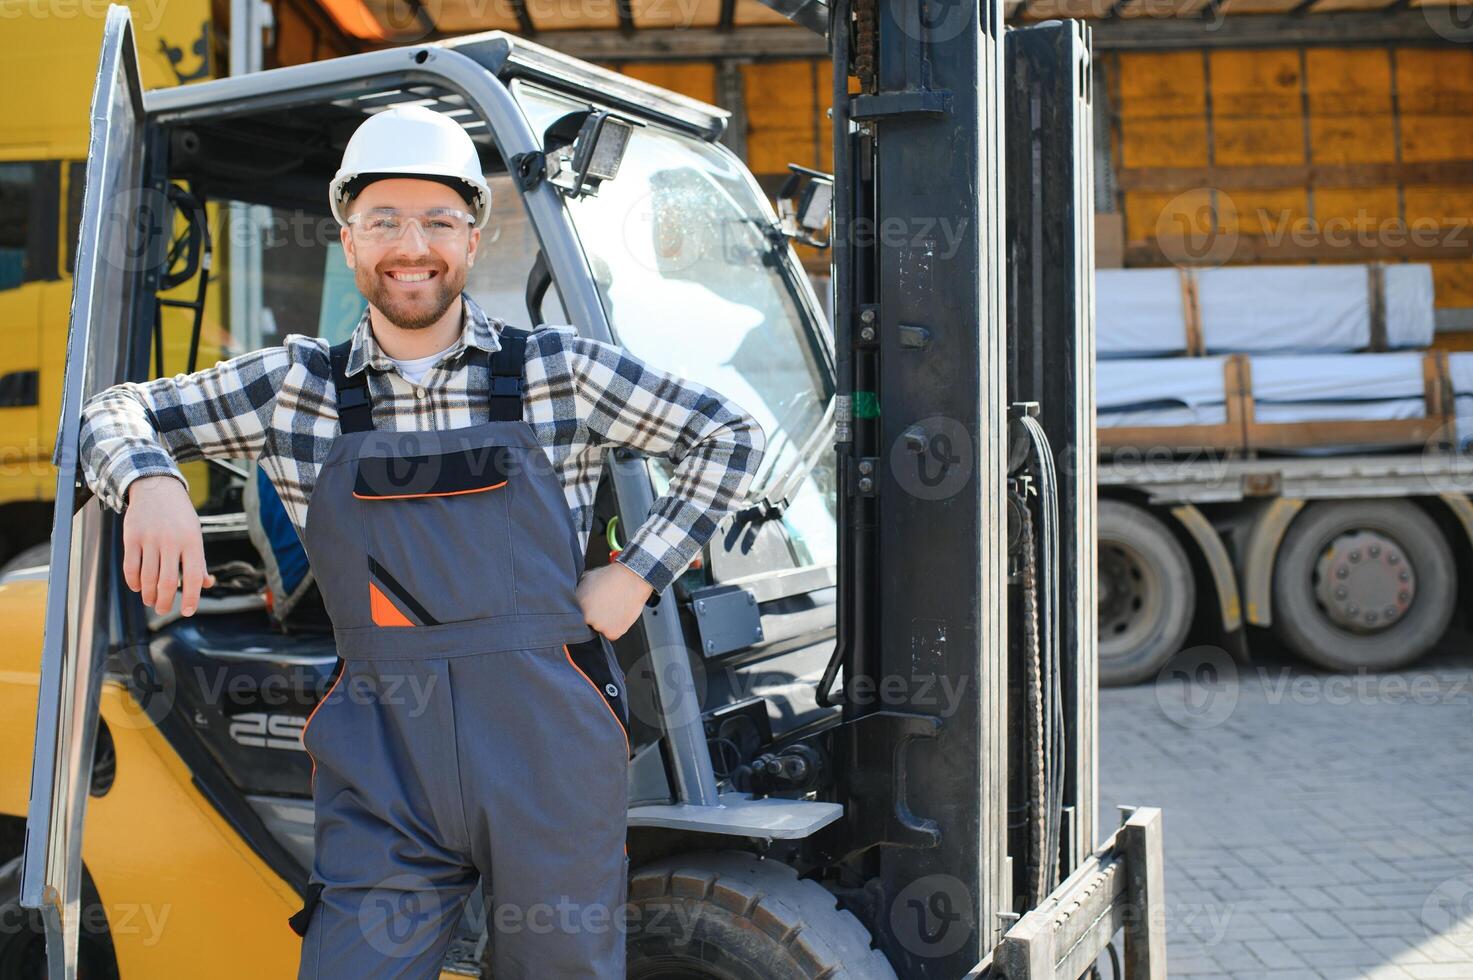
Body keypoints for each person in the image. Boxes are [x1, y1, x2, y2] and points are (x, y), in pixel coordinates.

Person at [76, 104, 767, 978]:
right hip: (385, 762)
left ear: (473, 240)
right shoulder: (296, 387)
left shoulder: (557, 370)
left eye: (439, 220)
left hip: (545, 753)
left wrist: (636, 573)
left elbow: (730, 435)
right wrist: (150, 478)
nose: (414, 244)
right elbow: (112, 409)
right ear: (349, 239)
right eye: (384, 221)